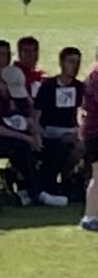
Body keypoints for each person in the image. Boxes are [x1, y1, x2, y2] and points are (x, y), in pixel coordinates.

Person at [0, 66, 67, 207]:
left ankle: (46, 186)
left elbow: (28, 119)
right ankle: (36, 192)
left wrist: (35, 135)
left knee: (55, 147)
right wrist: (24, 138)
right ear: (0, 82)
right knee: (21, 148)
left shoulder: (19, 97)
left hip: (22, 134)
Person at [35, 47, 85, 196]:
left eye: (77, 62)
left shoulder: (79, 87)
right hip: (50, 129)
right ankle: (65, 178)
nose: (75, 66)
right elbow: (37, 115)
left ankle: (75, 179)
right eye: (71, 62)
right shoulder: (48, 86)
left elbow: (82, 112)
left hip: (71, 129)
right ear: (62, 63)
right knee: (77, 147)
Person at [79, 49, 98, 232]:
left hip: (92, 132)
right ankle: (90, 215)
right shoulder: (96, 77)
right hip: (96, 133)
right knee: (97, 175)